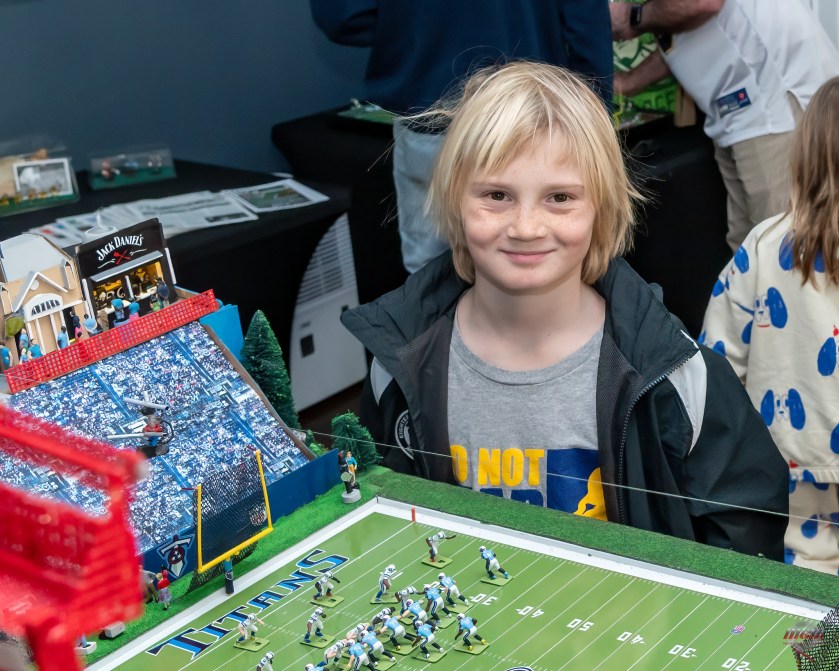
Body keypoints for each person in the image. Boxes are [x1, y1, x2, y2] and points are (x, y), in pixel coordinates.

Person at [341, 60, 788, 560]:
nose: (526, 227)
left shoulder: (675, 375)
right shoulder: (399, 364)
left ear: (601, 206)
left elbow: (746, 530)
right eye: (496, 195)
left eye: (559, 197)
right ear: (454, 200)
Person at [311, 0, 614, 274]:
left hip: (431, 103)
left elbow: (341, 16)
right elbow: (587, 23)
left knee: (430, 271)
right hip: (534, 117)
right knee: (542, 259)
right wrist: (595, 123)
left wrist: (414, 28)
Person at [701, 77, 839, 574]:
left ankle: (816, 630)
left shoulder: (763, 244)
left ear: (805, 155)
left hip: (789, 461)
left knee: (806, 579)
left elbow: (715, 364)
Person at [609, 0, 839, 251]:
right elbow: (683, 37)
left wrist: (634, 17)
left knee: (782, 248)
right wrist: (627, 82)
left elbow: (702, 3)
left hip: (772, 107)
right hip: (738, 112)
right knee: (747, 248)